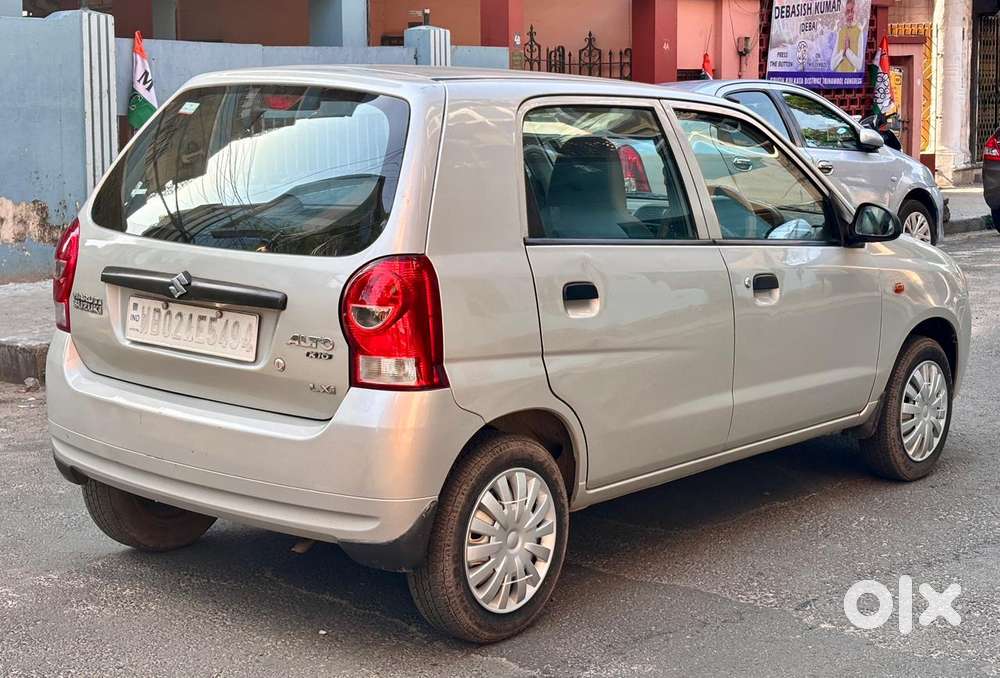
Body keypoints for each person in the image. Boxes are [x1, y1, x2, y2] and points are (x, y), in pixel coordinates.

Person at [831, 0, 864, 73]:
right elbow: (832, 65)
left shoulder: (859, 32)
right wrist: (843, 52)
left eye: (852, 11)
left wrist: (848, 51)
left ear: (856, 12)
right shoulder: (840, 31)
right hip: (837, 80)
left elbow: (859, 65)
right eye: (847, 11)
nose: (849, 15)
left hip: (851, 80)